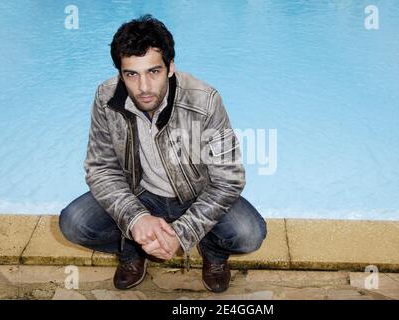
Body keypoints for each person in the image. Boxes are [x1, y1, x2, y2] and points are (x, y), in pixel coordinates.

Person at [59, 14, 267, 293]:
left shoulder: (205, 101)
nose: (143, 87)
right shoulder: (106, 98)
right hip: (138, 192)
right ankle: (132, 250)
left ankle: (212, 252)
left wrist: (182, 234)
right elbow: (101, 168)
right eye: (131, 74)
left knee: (249, 234)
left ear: (170, 67)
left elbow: (229, 179)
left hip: (196, 195)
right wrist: (135, 219)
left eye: (153, 72)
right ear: (121, 73)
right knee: (74, 223)